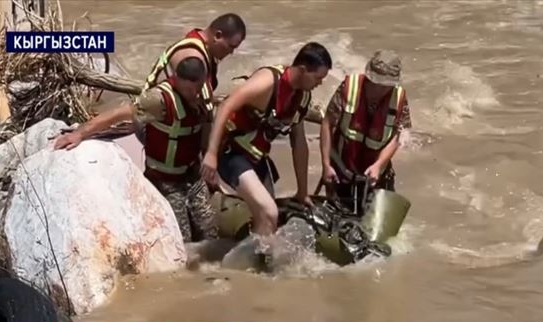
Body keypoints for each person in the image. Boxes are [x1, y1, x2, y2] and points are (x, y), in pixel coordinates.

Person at [52, 57, 218, 243]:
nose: (194, 94)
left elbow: (206, 125)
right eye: (188, 89)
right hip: (166, 181)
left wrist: (210, 163)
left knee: (210, 234)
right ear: (176, 80)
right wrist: (79, 134)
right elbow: (116, 115)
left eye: (197, 88)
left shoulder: (203, 92)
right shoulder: (158, 99)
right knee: (182, 240)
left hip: (193, 176)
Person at [201, 42, 332, 249]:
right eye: (318, 78)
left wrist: (303, 191)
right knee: (268, 211)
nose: (320, 83)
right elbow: (227, 105)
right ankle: (253, 267)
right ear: (303, 70)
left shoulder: (302, 97)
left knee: (270, 219)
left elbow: (299, 144)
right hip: (231, 153)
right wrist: (210, 154)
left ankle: (256, 260)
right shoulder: (268, 81)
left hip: (257, 157)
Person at [319, 50, 412, 213]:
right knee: (339, 222)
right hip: (341, 170)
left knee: (380, 228)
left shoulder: (399, 99)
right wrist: (326, 164)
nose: (379, 89)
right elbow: (328, 123)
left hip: (376, 174)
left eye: (385, 85)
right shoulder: (348, 87)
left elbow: (399, 136)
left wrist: (378, 165)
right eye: (375, 83)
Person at [143, 13, 247, 116]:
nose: (231, 52)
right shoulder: (195, 59)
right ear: (217, 35)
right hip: (158, 122)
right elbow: (206, 111)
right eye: (231, 46)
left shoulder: (200, 44)